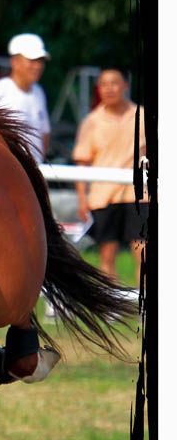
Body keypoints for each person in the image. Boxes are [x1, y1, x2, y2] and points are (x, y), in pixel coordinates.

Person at [72, 68, 147, 283]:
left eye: (114, 83)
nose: (109, 89)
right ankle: (113, 307)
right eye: (103, 84)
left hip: (138, 194)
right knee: (107, 253)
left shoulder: (141, 117)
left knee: (143, 252)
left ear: (125, 85)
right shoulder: (92, 122)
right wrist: (81, 198)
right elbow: (82, 162)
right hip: (103, 195)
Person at [0, 33, 51, 163]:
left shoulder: (39, 92)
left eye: (40, 61)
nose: (38, 66)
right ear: (15, 62)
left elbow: (45, 133)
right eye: (32, 60)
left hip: (32, 173)